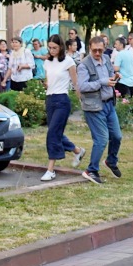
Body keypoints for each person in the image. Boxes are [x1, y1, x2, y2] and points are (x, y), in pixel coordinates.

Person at [77, 35, 121, 183]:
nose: (97, 53)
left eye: (100, 50)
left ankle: (111, 161)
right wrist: (102, 82)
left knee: (117, 136)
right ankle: (91, 170)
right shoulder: (84, 65)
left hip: (109, 104)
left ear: (104, 49)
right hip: (94, 107)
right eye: (94, 50)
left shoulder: (107, 59)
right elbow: (82, 87)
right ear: (89, 48)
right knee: (101, 139)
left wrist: (115, 77)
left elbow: (109, 77)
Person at [40, 35, 81, 181]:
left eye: (54, 48)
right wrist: (45, 84)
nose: (51, 50)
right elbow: (48, 81)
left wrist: (81, 99)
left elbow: (76, 83)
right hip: (50, 99)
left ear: (61, 47)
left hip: (62, 100)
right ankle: (77, 150)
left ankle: (50, 169)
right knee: (55, 132)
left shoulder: (68, 61)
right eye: (50, 47)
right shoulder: (47, 63)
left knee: (52, 134)